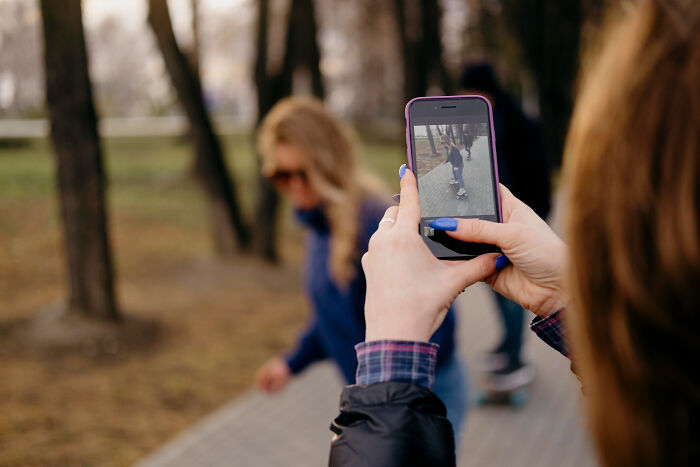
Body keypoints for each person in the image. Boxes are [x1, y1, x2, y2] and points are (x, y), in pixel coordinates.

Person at [328, 1, 700, 465]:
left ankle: (512, 358)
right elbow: (674, 406)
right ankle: (511, 355)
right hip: (506, 226)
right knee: (507, 303)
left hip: (506, 223)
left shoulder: (508, 122)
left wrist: (391, 354)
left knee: (505, 312)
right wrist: (564, 301)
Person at [253, 97, 469, 434]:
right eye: (281, 175)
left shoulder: (373, 223)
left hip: (421, 397)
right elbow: (334, 316)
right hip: (379, 401)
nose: (293, 185)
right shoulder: (321, 226)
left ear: (326, 163)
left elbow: (437, 317)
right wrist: (291, 363)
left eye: (302, 173)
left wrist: (388, 405)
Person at [460, 62, 551, 388]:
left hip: (520, 220)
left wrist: (537, 218)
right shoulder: (485, 120)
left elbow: (537, 174)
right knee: (499, 287)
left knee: (515, 292)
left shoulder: (518, 123)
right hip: (493, 218)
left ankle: (516, 356)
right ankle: (506, 344)